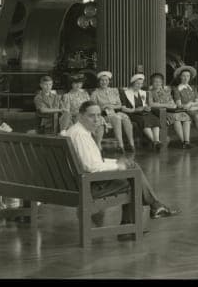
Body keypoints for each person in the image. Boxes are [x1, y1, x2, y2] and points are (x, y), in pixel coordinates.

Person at [61, 101, 180, 239]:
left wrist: (116, 162)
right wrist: (119, 166)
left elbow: (90, 161)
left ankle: (154, 207)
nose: (96, 119)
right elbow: (91, 167)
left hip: (74, 183)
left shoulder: (76, 131)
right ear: (80, 116)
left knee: (131, 166)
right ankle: (138, 220)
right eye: (91, 115)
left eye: (99, 115)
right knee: (133, 180)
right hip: (86, 186)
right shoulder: (81, 135)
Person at [90, 70, 137, 153]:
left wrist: (112, 106)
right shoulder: (95, 93)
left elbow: (119, 105)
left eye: (106, 80)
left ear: (109, 81)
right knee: (116, 118)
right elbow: (92, 108)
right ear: (99, 82)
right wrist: (102, 107)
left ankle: (131, 144)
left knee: (125, 118)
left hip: (114, 112)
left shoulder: (114, 91)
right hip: (103, 115)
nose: (104, 82)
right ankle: (120, 145)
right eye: (102, 80)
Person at [119, 72, 163, 150]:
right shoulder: (125, 93)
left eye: (141, 84)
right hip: (133, 114)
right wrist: (135, 110)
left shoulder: (144, 93)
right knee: (143, 120)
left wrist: (147, 108)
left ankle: (157, 141)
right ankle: (154, 141)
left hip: (144, 113)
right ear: (132, 83)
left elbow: (146, 104)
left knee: (155, 119)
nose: (139, 85)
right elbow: (123, 108)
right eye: (137, 83)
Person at [148, 72, 192, 148]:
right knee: (176, 119)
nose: (158, 83)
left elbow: (172, 101)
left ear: (162, 82)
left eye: (159, 82)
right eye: (155, 82)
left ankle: (186, 141)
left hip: (171, 110)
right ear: (152, 82)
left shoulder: (166, 91)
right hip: (162, 112)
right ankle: (183, 141)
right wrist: (166, 105)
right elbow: (151, 104)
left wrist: (173, 105)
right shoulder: (149, 92)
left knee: (186, 118)